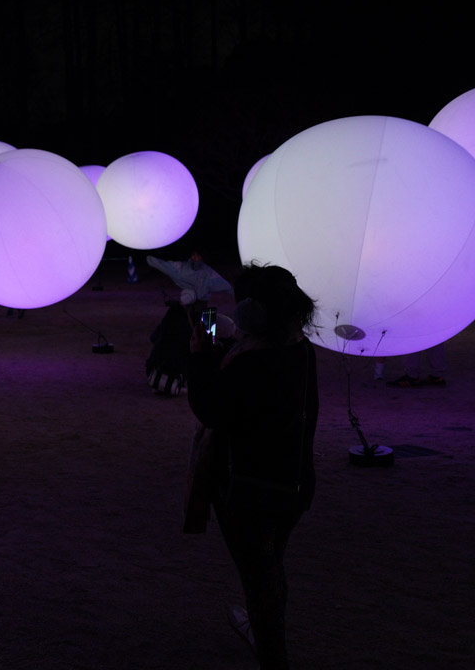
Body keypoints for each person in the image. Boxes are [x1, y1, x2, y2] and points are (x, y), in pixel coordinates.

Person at [187, 264, 318, 670]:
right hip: (293, 485)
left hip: (248, 490)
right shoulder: (298, 349)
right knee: (270, 562)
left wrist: (200, 355)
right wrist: (219, 336)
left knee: (260, 575)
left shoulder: (248, 362)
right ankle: (262, 624)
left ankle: (270, 648)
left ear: (253, 313)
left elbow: (210, 408)